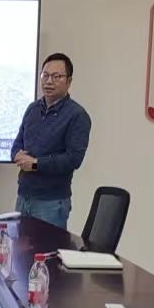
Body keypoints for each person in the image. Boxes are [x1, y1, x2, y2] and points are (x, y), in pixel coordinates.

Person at [10, 52, 92, 229]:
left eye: (56, 77)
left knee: (48, 247)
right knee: (20, 247)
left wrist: (35, 164)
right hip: (24, 196)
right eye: (45, 75)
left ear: (69, 81)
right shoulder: (32, 109)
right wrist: (17, 155)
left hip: (52, 202)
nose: (49, 81)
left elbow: (73, 159)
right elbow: (17, 144)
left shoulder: (77, 115)